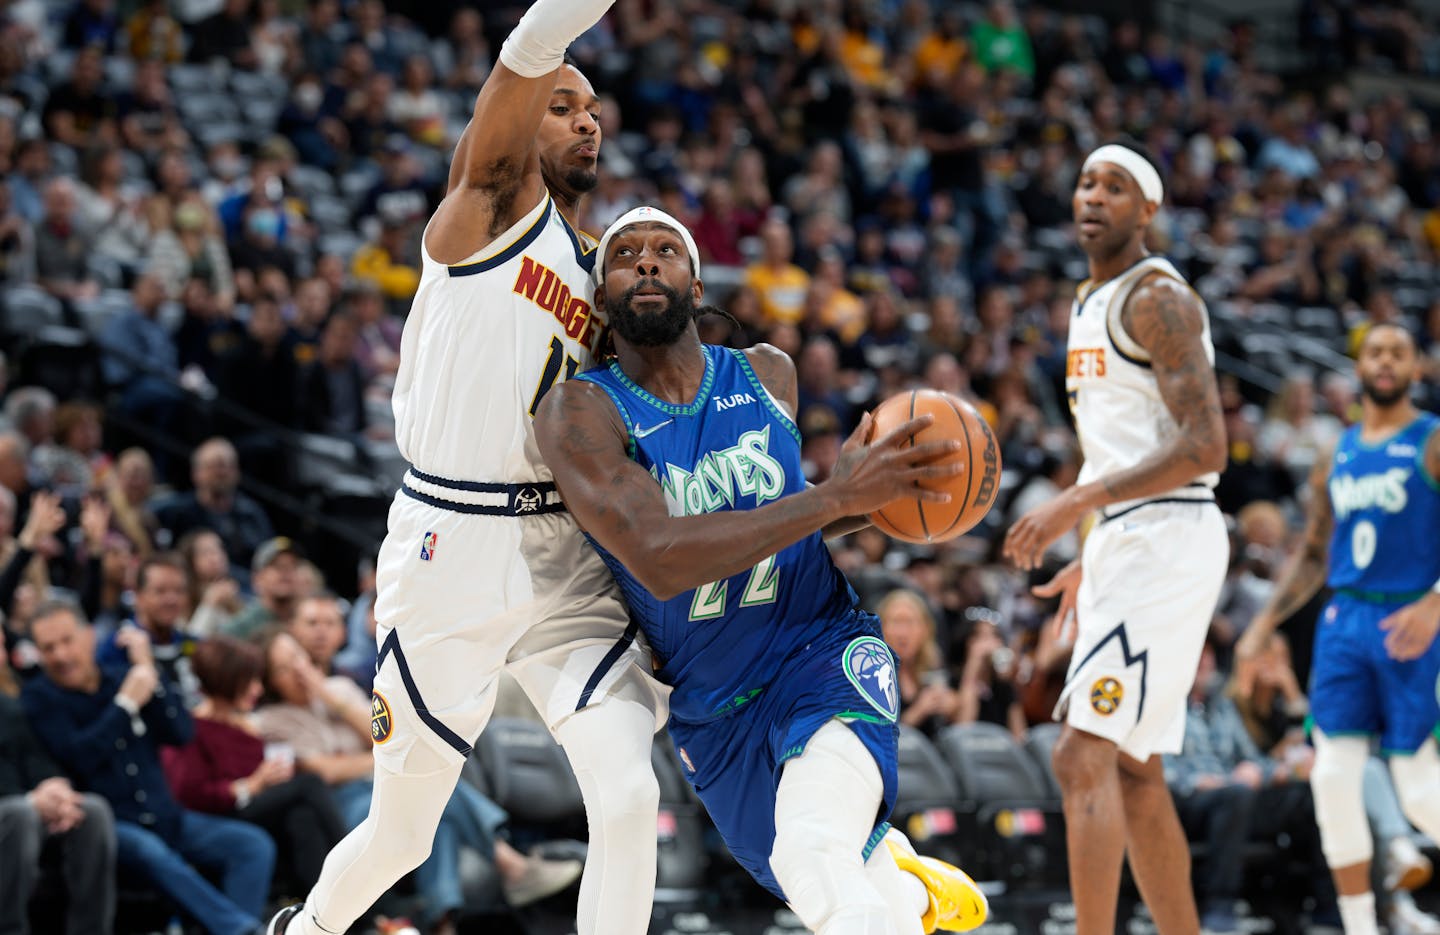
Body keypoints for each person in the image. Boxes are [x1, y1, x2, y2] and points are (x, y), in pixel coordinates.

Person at [265, 3, 670, 933]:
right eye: (562, 105)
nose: (585, 120)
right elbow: (524, 58)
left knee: (622, 793)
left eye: (593, 110)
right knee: (405, 831)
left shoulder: (598, 276)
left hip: (563, 551)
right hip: (451, 539)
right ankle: (312, 928)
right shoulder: (485, 208)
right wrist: (556, 37)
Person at [534, 206, 987, 934]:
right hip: (714, 711)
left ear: (697, 277)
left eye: (664, 250)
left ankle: (897, 876)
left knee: (813, 852)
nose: (646, 262)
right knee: (846, 884)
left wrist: (873, 501)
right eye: (624, 254)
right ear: (600, 292)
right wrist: (837, 497)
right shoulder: (582, 411)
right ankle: (909, 884)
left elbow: (787, 513)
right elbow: (660, 557)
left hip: (821, 649)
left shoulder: (767, 372)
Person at [1001, 141, 1230, 935]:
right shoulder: (1086, 299)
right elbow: (1124, 445)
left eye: (1116, 186)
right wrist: (1093, 546)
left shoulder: (1158, 299)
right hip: (1128, 538)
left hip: (1169, 533)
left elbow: (1208, 447)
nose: (1094, 196)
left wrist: (1078, 504)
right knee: (1134, 767)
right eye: (1087, 182)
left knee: (1079, 754)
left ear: (1148, 209)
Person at [1236, 323, 1440, 935]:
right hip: (1344, 619)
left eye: (1397, 352)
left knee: (1415, 786)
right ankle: (1360, 927)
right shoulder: (1337, 453)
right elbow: (1311, 551)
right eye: (1374, 351)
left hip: (1412, 618)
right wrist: (1264, 622)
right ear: (1359, 366)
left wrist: (1436, 598)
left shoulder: (1431, 441)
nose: (1384, 361)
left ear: (1415, 368)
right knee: (1330, 775)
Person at [21, 600, 276, 935]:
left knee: (251, 844)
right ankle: (243, 930)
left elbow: (181, 732)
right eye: (48, 647)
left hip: (166, 815)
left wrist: (150, 672)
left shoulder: (121, 677)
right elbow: (78, 756)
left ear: (88, 637)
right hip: (111, 824)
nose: (60, 655)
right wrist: (125, 705)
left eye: (66, 641)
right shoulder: (40, 697)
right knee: (151, 852)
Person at [162, 636, 346, 897]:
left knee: (302, 817)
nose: (257, 690)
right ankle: (360, 881)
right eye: (249, 682)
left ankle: (332, 917)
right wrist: (252, 785)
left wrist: (271, 777)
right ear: (227, 682)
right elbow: (190, 795)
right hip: (217, 818)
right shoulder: (192, 730)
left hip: (254, 810)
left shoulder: (246, 726)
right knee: (310, 784)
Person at [0, 644, 117, 935]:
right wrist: (31, 800)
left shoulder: (8, 707)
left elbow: (36, 758)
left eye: (1, 645)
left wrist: (57, 790)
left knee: (91, 810)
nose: (2, 656)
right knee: (19, 814)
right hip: (14, 815)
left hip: (26, 814)